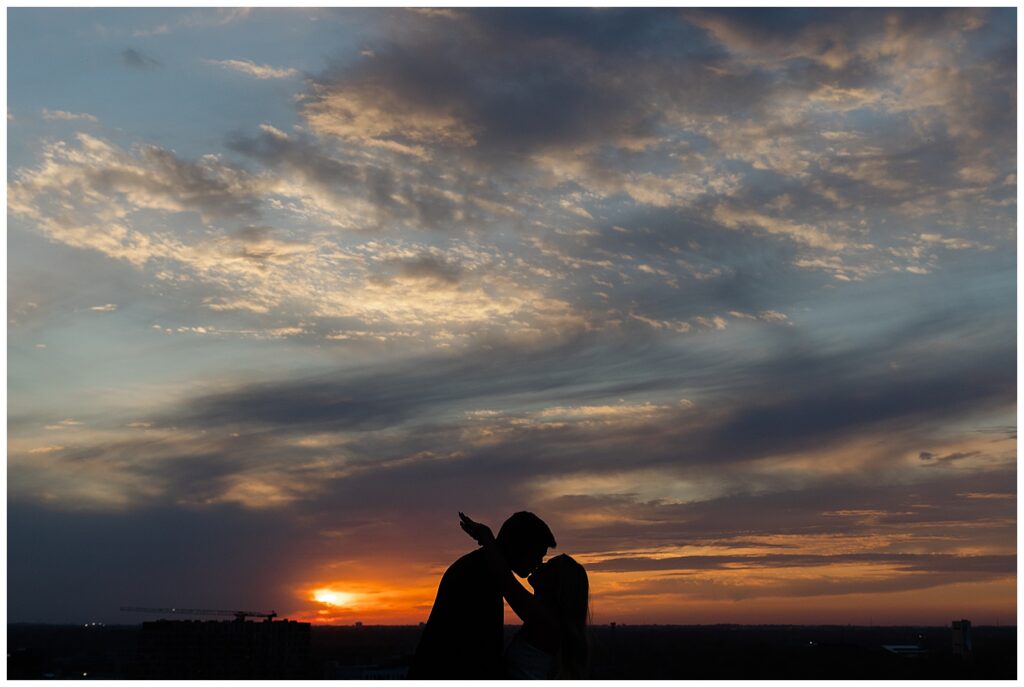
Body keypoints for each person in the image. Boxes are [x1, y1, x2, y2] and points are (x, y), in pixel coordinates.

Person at [408, 511, 556, 679]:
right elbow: (479, 655)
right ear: (520, 546)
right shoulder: (480, 574)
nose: (539, 563)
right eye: (538, 554)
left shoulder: (481, 568)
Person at [458, 512, 590, 679]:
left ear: (556, 586)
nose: (540, 565)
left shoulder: (546, 621)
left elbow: (506, 580)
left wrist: (488, 538)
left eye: (548, 565)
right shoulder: (548, 621)